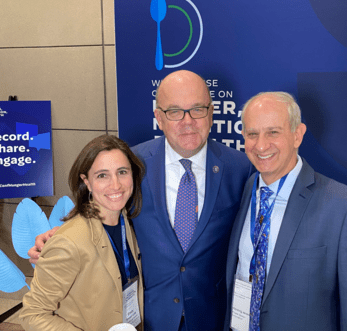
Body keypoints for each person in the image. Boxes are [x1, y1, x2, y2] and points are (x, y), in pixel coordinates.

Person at [28, 70, 254, 331]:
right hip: (148, 316)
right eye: (175, 112)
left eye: (197, 109)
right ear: (159, 117)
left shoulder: (240, 168)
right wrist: (59, 236)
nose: (187, 121)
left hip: (211, 314)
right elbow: (105, 211)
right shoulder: (132, 164)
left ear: (211, 112)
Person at [224, 92, 347, 330]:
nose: (261, 145)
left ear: (297, 135)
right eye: (252, 134)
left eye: (273, 132)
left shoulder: (344, 208)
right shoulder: (246, 188)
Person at [21, 135, 145, 331]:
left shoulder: (127, 220)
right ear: (86, 182)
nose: (116, 185)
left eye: (122, 172)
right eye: (102, 175)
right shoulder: (68, 242)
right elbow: (33, 314)